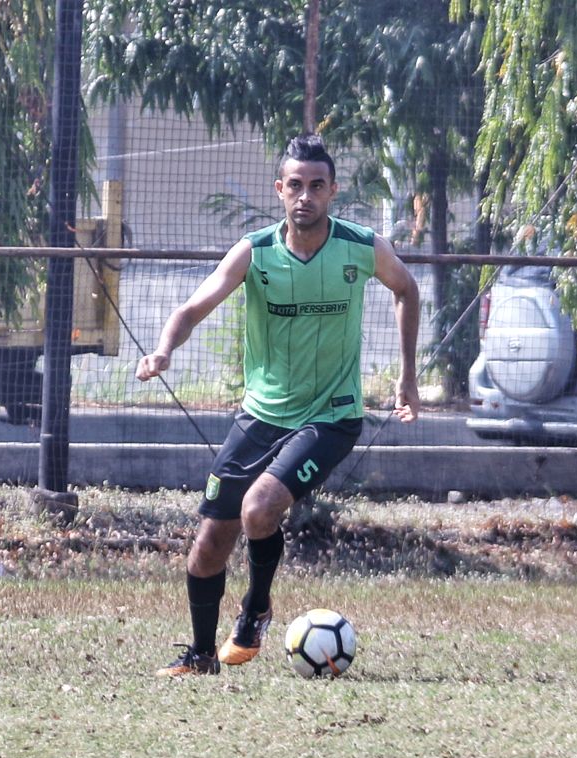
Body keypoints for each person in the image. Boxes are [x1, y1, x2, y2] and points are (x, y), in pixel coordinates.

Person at [138, 134, 421, 676]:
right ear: (280, 190)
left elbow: (406, 289)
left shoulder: (362, 246)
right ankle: (200, 656)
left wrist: (407, 377)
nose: (305, 196)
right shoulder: (256, 252)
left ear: (333, 191)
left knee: (259, 509)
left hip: (331, 416)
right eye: (295, 185)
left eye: (317, 186)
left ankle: (254, 608)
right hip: (261, 415)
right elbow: (193, 307)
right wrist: (163, 350)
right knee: (208, 545)